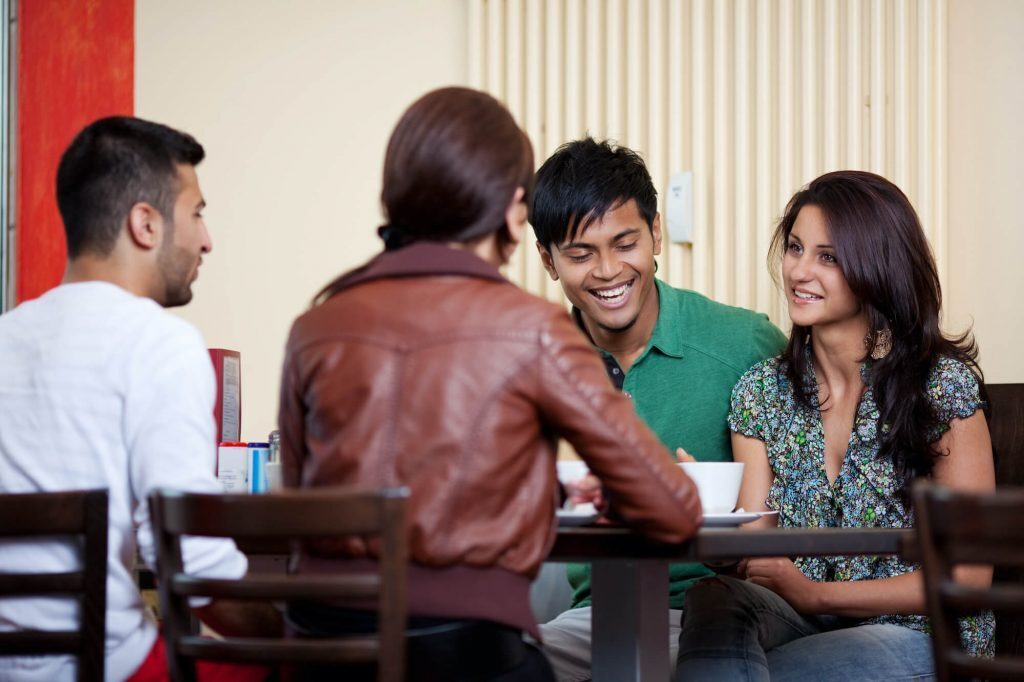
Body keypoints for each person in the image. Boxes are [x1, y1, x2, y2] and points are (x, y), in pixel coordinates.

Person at [276, 87, 702, 682]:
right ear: (512, 210)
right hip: (462, 655)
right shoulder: (533, 329)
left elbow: (304, 510)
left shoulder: (315, 325)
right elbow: (673, 512)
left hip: (320, 655)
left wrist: (531, 495)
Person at [674, 170, 996, 680]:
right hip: (806, 621)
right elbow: (755, 552)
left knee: (739, 668)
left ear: (877, 268)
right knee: (715, 598)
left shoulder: (940, 388)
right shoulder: (760, 394)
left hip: (921, 634)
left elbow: (969, 576)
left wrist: (817, 592)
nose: (799, 271)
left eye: (828, 256)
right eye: (796, 247)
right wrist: (707, 522)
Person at [0, 116, 279, 681]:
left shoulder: (5, 336)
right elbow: (189, 559)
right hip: (108, 669)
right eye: (197, 212)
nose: (206, 239)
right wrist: (286, 634)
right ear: (145, 224)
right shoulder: (162, 344)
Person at [530, 137, 787, 680]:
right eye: (579, 254)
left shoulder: (743, 343)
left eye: (625, 243)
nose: (606, 271)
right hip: (594, 615)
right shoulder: (536, 364)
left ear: (656, 234)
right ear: (548, 261)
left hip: (712, 615)